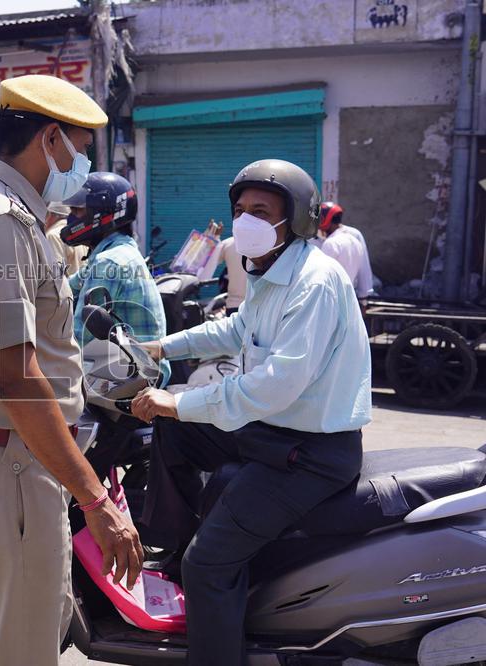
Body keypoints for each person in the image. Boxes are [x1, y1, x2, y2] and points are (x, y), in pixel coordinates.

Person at [0, 75, 143, 666]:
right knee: (24, 651)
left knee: (30, 635)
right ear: (51, 139)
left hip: (16, 459)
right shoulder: (1, 222)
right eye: (80, 148)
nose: (83, 165)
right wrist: (97, 502)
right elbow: (19, 380)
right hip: (14, 463)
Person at [129, 159, 371, 665]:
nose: (245, 221)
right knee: (173, 432)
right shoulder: (270, 271)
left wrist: (180, 400)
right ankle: (172, 546)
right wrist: (159, 348)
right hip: (272, 432)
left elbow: (275, 385)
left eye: (260, 211)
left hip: (309, 454)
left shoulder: (313, 282)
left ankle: (201, 586)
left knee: (208, 565)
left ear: (297, 220)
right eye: (240, 210)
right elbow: (235, 331)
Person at [62, 171, 170, 382]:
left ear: (101, 214)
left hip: (134, 377)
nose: (71, 218)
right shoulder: (119, 250)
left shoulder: (109, 261)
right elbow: (66, 288)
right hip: (136, 367)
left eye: (78, 210)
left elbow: (80, 338)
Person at [319, 201, 375, 299]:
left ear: (326, 220)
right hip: (349, 297)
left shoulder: (330, 243)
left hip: (330, 298)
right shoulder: (354, 240)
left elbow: (320, 277)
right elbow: (364, 269)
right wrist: (364, 297)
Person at [199, 235, 247, 314]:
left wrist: (210, 239)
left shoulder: (228, 243)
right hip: (262, 306)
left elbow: (203, 270)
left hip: (234, 305)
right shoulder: (268, 242)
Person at [43, 202, 87, 275]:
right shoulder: (78, 232)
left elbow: (55, 273)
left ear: (50, 215)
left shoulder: (53, 235)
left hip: (67, 285)